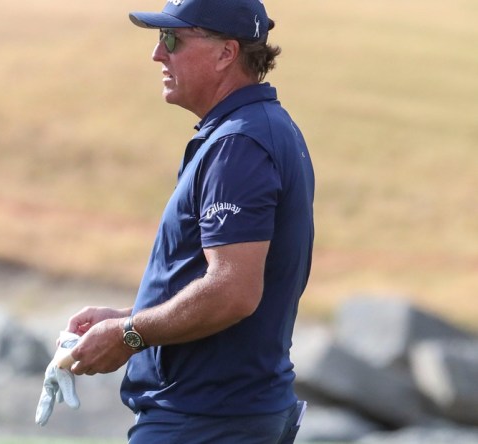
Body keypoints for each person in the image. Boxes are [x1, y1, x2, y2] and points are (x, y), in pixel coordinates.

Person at [62, 0, 315, 442]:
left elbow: (232, 293)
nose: (158, 54)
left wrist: (129, 334)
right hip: (225, 415)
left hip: (207, 420)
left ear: (225, 53)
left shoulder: (239, 144)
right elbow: (218, 282)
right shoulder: (257, 129)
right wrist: (131, 314)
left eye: (172, 39)